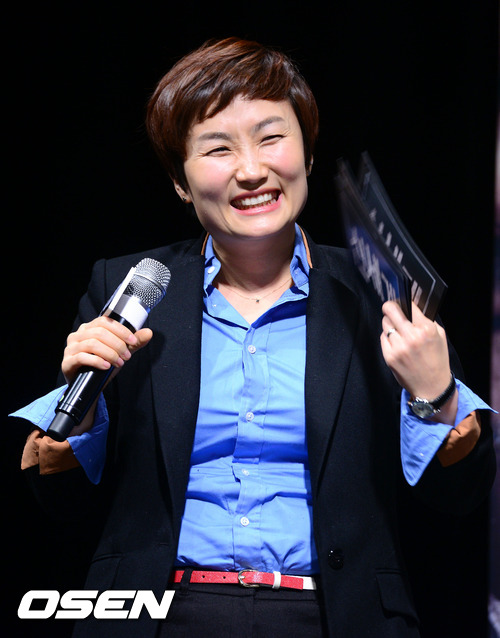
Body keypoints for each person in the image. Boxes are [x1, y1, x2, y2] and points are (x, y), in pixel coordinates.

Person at [12, 37, 496, 638]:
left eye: (271, 138)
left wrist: (435, 396)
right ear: (180, 181)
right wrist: (81, 415)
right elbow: (58, 504)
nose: (250, 170)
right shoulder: (129, 287)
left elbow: (460, 495)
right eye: (218, 148)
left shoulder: (380, 291)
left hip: (335, 617)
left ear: (308, 155)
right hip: (159, 613)